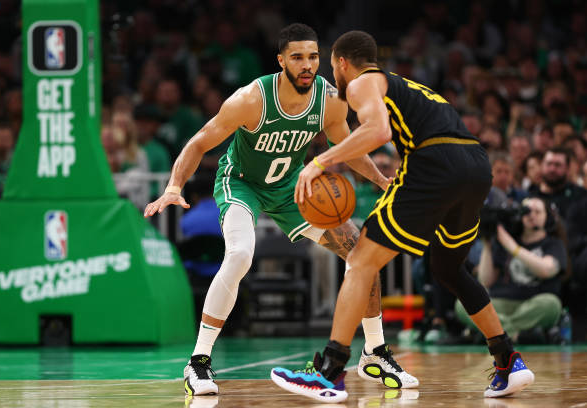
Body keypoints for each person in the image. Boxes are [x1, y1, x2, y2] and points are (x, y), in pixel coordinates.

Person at [143, 24, 418, 396]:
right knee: (240, 254)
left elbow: (349, 145)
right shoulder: (251, 99)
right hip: (241, 182)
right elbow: (198, 142)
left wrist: (382, 180)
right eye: (298, 57)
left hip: (291, 187)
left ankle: (374, 351)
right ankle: (198, 363)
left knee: (361, 252)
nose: (307, 65)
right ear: (281, 61)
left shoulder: (329, 100)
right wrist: (174, 186)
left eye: (313, 57)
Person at [271, 30, 534, 403]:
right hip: (476, 167)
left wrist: (320, 161)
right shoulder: (408, 86)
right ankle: (508, 360)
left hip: (434, 165)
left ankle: (329, 371)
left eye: (332, 69)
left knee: (360, 260)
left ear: (343, 62)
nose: (334, 78)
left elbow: (378, 131)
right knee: (449, 269)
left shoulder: (363, 82)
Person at [455, 197, 565, 343]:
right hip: (501, 302)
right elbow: (486, 280)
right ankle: (513, 334)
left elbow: (547, 269)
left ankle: (494, 334)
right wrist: (487, 245)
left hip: (533, 303)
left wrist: (512, 246)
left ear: (547, 217)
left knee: (552, 304)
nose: (532, 215)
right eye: (527, 211)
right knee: (463, 303)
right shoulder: (505, 241)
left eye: (538, 212)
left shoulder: (553, 244)